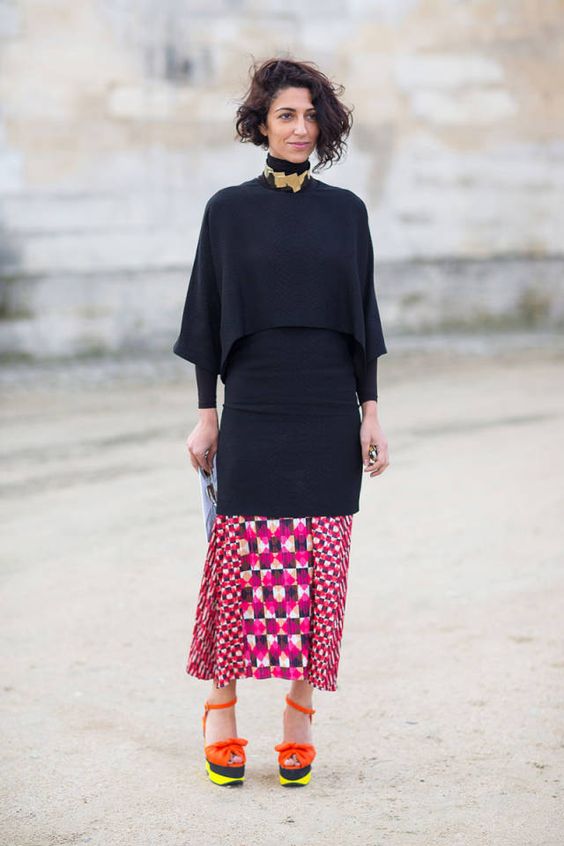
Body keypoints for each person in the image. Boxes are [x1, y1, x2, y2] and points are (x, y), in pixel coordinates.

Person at [173, 57, 390, 787]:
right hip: (255, 404)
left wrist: (370, 412)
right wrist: (207, 416)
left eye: (311, 115)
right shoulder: (227, 210)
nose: (301, 128)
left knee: (320, 566)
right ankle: (221, 709)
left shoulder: (347, 212)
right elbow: (206, 316)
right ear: (261, 124)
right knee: (238, 562)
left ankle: (299, 715)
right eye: (286, 115)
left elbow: (364, 321)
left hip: (328, 407)